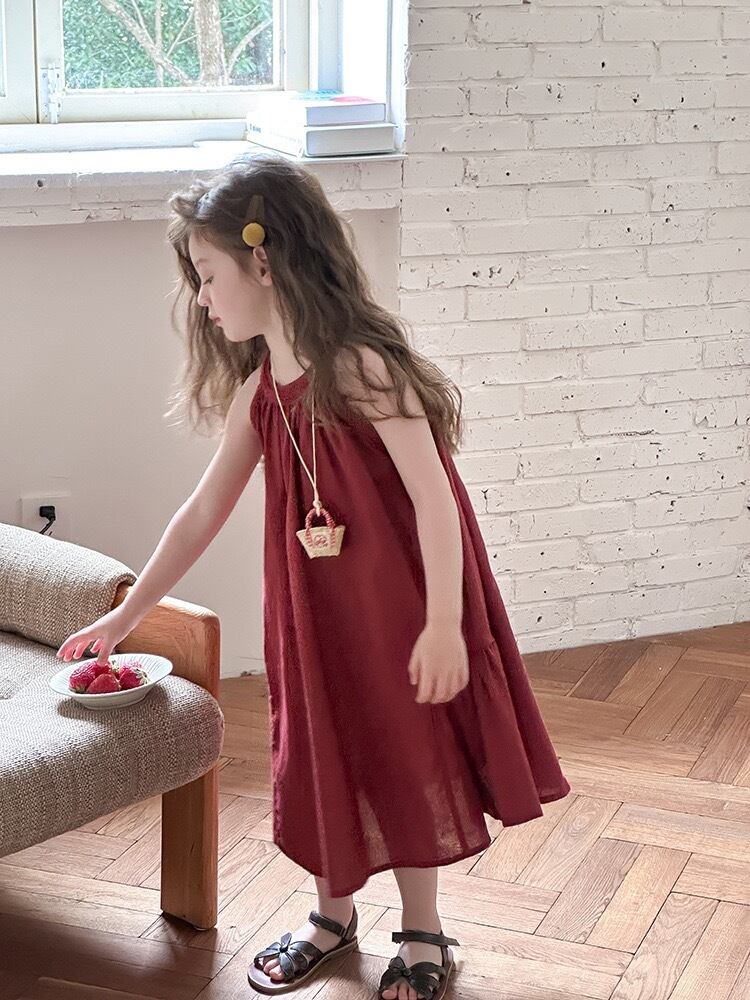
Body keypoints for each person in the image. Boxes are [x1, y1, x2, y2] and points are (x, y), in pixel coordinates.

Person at [55, 152, 571, 1000]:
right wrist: (126, 614)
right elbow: (202, 510)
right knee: (325, 744)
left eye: (209, 275)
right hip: (313, 611)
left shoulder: (364, 368)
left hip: (400, 606)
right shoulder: (261, 390)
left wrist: (445, 624)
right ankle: (332, 918)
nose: (203, 299)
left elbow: (436, 500)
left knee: (404, 746)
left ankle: (424, 930)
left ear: (263, 262)